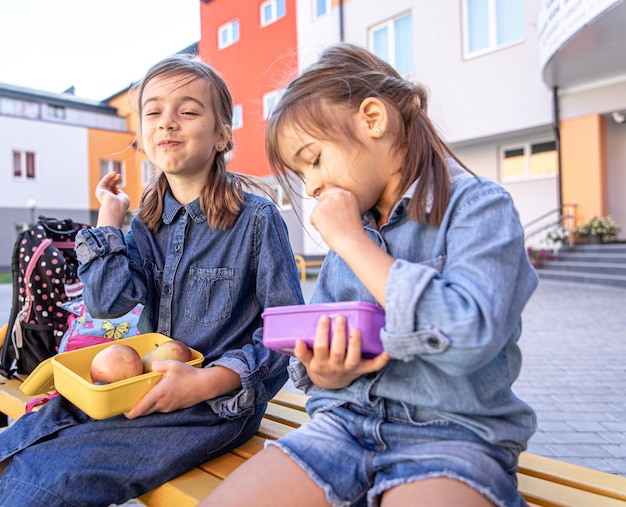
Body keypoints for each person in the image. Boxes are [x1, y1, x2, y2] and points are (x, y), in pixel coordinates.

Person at [201, 43, 538, 507]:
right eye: (301, 176)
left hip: (453, 439)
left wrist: (355, 245)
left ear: (374, 119)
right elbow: (315, 354)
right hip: (342, 428)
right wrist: (325, 371)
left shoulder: (477, 206)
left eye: (314, 160)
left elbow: (470, 336)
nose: (313, 186)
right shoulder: (353, 230)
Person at [0, 54, 304, 505]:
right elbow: (107, 303)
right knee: (20, 446)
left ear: (222, 134)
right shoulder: (145, 224)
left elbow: (289, 332)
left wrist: (207, 381)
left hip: (214, 407)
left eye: (188, 111)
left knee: (51, 482)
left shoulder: (256, 220)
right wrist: (109, 221)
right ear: (142, 138)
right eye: (154, 112)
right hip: (137, 386)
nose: (168, 123)